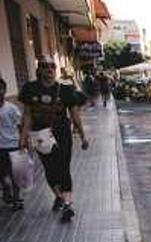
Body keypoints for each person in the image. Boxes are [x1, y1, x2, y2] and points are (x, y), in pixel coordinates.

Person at [19, 56, 89, 223]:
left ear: (55, 69)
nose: (49, 69)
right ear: (39, 69)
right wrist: (23, 137)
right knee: (50, 169)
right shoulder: (30, 89)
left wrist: (83, 136)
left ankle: (67, 204)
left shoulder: (65, 90)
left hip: (62, 134)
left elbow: (74, 115)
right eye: (45, 66)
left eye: (52, 66)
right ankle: (60, 197)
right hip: (39, 135)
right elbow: (27, 115)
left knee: (64, 168)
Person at [0, 78, 23, 211]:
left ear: (4, 90)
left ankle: (16, 199)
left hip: (13, 145)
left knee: (15, 174)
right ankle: (6, 187)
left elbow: (20, 125)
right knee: (3, 175)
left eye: (1, 89)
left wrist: (24, 141)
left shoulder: (11, 108)